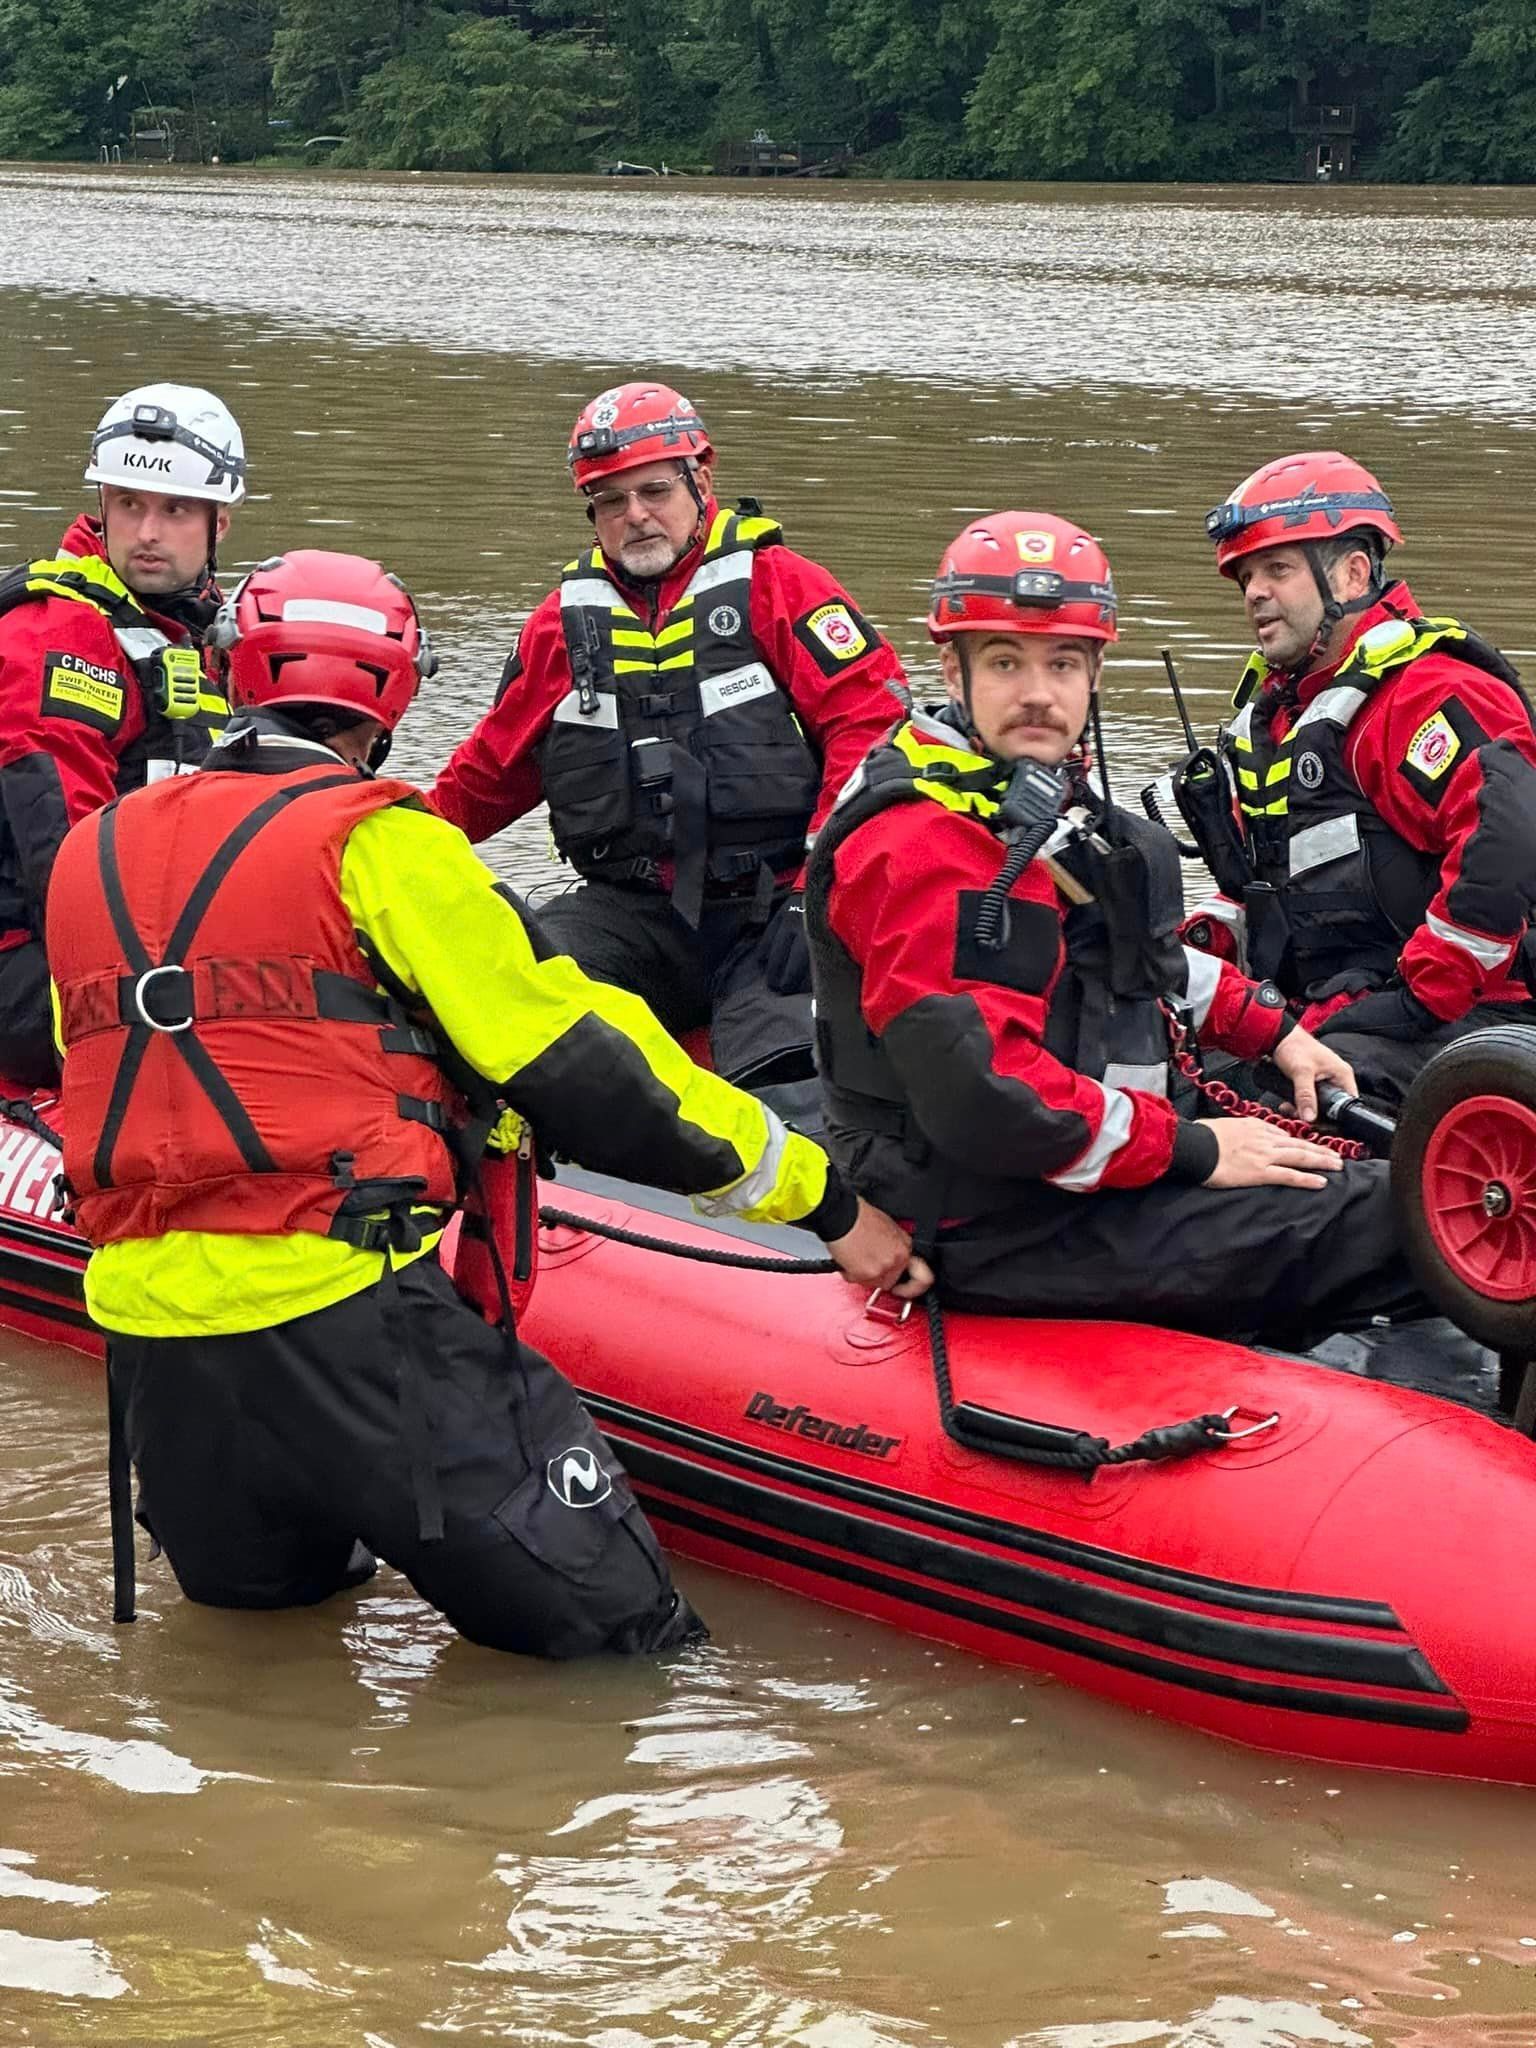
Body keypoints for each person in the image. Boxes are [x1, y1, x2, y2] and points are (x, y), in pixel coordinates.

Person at [46, 549, 926, 1660]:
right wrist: (829, 1202)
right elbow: (582, 1066)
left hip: (154, 1351)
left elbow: (99, 1065)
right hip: (351, 1321)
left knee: (256, 1657)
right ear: (393, 697)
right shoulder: (381, 839)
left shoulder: (92, 853)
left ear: (232, 676)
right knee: (630, 1647)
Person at [803, 510, 1429, 1350]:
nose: (1038, 692)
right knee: (1397, 1217)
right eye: (1004, 662)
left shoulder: (1030, 795)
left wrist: (1276, 1034)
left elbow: (1140, 961)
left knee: (1372, 1114)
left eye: (1063, 663)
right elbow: (987, 1102)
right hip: (989, 1210)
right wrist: (1195, 1152)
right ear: (950, 668)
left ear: (1096, 671)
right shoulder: (921, 845)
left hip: (1083, 1158)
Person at [431, 382, 906, 1119]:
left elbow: (870, 726)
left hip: (773, 905)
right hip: (632, 909)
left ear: (701, 480)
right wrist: (384, 838)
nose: (636, 516)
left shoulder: (783, 587)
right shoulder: (561, 624)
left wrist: (822, 884)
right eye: (611, 501)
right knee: (514, 1001)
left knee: (792, 1080)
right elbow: (489, 775)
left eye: (654, 491)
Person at [1178, 450, 1536, 1107]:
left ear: (1351, 573)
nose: (1255, 591)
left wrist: (1419, 993)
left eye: (1278, 569)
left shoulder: (1426, 693)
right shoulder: (1278, 716)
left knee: (1277, 1113)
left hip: (1459, 1015)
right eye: (1247, 576)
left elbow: (1508, 842)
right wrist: (1207, 941)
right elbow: (1274, 875)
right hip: (1331, 998)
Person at [0, 383, 241, 1086]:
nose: (147, 533)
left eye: (174, 510)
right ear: (101, 505)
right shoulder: (59, 631)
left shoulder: (201, 633)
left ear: (218, 523)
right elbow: (64, 858)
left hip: (144, 935)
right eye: (129, 505)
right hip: (30, 957)